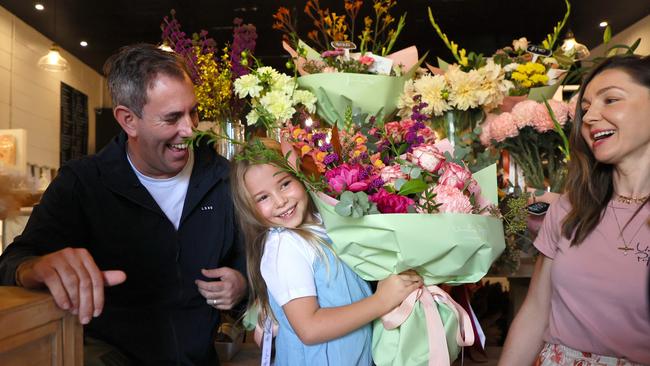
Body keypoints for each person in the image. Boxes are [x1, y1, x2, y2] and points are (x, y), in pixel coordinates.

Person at [0, 43, 247, 365]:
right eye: (172, 118)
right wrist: (35, 268)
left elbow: (253, 259)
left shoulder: (224, 179)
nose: (190, 130)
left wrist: (242, 283)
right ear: (128, 120)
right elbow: (12, 262)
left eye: (193, 112)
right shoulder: (81, 184)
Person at [499, 55, 650, 365]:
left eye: (610, 99)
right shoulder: (571, 206)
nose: (591, 116)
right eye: (585, 108)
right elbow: (535, 312)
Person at [231, 139, 422, 365]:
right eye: (263, 197)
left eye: (284, 184)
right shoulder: (286, 247)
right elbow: (310, 329)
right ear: (249, 207)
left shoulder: (323, 223)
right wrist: (382, 301)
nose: (281, 201)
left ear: (299, 176)